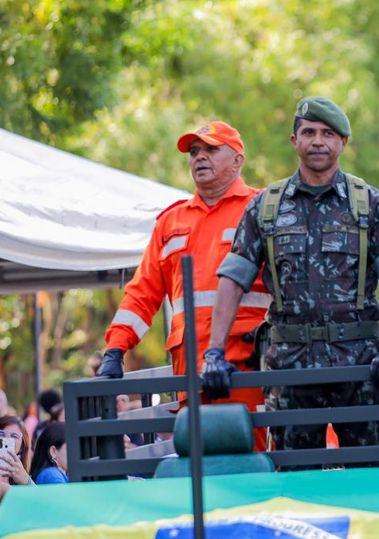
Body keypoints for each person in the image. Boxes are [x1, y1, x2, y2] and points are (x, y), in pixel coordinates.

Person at [204, 96, 379, 453]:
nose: (318, 140)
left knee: (370, 473)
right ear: (294, 141)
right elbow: (233, 279)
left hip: (359, 363)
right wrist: (214, 351)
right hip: (290, 365)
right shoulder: (266, 207)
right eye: (309, 132)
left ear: (343, 142)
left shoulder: (370, 204)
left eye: (328, 133)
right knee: (293, 478)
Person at [97, 120, 270, 448]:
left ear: (237, 160)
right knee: (200, 472)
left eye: (210, 149)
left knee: (253, 464)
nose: (199, 157)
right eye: (194, 151)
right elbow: (142, 292)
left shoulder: (259, 209)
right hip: (191, 372)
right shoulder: (171, 222)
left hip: (248, 367)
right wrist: (115, 349)